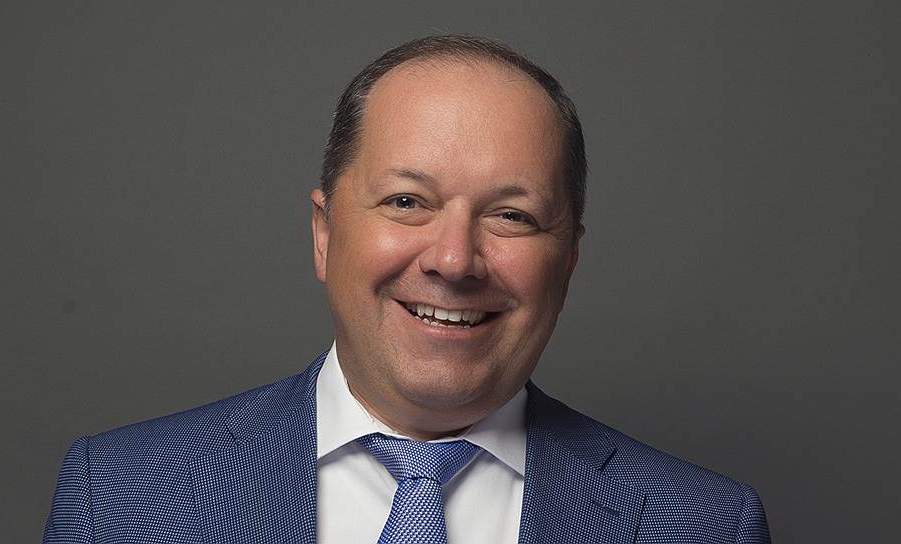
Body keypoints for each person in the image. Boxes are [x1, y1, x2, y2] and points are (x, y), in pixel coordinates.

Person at [44, 35, 770, 543]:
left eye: (512, 216)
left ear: (569, 261)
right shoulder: (119, 498)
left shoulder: (706, 526)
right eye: (406, 202)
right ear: (325, 234)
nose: (454, 260)